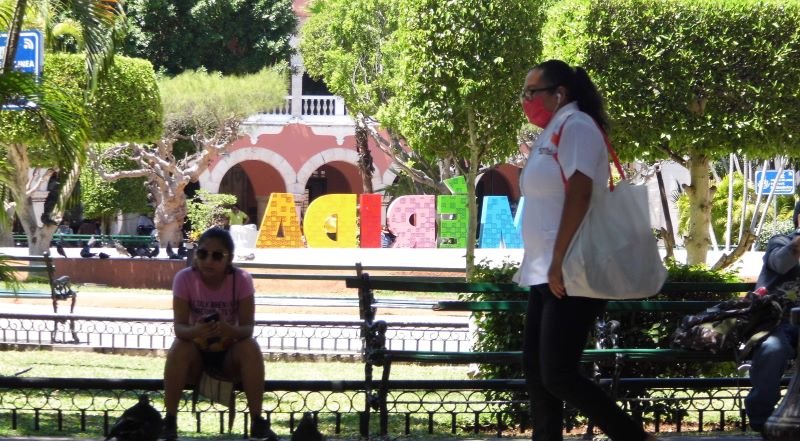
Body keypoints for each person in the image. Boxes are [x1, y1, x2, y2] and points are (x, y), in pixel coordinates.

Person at [512, 59, 658, 441]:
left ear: (559, 93)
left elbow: (579, 195)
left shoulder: (576, 126)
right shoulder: (552, 131)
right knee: (537, 372)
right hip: (546, 268)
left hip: (570, 269)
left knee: (558, 374)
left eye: (532, 92)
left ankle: (635, 438)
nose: (526, 100)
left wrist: (558, 260)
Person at [162, 227, 276, 441]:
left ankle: (257, 422)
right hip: (196, 355)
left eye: (216, 256)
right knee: (180, 346)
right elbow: (179, 328)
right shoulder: (184, 278)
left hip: (229, 356)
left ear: (229, 259)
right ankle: (169, 421)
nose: (208, 261)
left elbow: (247, 329)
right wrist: (196, 331)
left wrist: (228, 330)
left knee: (250, 346)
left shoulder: (241, 279)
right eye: (203, 253)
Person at [745, 206, 800, 436]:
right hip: (776, 321)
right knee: (772, 350)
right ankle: (762, 420)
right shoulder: (779, 241)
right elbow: (779, 263)